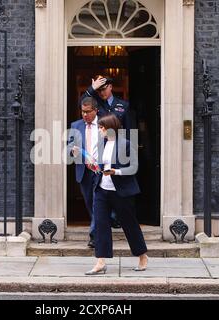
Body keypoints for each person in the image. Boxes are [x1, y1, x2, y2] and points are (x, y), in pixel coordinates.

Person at [85, 114, 148, 275]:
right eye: (99, 128)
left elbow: (134, 168)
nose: (99, 131)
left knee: (129, 225)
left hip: (121, 192)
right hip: (102, 189)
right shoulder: (101, 144)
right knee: (100, 225)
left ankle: (142, 256)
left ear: (110, 128)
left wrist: (115, 171)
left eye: (102, 128)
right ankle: (100, 261)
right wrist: (92, 165)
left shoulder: (126, 144)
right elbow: (100, 167)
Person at [81, 75, 130, 229]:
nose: (101, 92)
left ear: (110, 87)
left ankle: (113, 216)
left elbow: (129, 130)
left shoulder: (123, 105)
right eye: (99, 90)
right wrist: (91, 89)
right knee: (99, 193)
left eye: (104, 89)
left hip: (118, 152)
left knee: (116, 187)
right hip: (101, 152)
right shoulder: (96, 104)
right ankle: (102, 224)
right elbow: (83, 103)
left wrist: (128, 151)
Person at [67, 97, 104, 248]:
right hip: (84, 172)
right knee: (90, 202)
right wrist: (73, 151)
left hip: (101, 171)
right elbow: (69, 148)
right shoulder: (75, 126)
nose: (85, 115)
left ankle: (94, 235)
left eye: (88, 112)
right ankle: (100, 225)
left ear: (96, 110)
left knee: (97, 202)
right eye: (83, 112)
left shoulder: (104, 124)